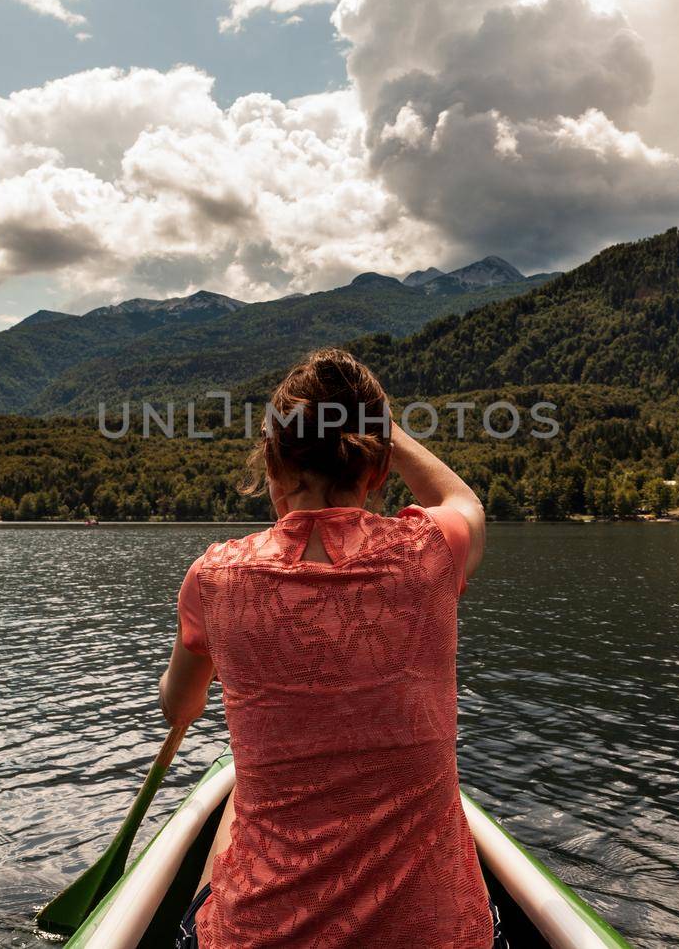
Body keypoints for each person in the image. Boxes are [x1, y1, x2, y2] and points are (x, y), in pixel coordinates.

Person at [158, 348, 505, 948]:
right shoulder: (432, 552)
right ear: (377, 469)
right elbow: (466, 503)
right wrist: (386, 430)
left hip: (260, 936)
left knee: (243, 794)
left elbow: (177, 708)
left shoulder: (212, 579)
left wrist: (193, 688)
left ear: (271, 463)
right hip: (441, 935)